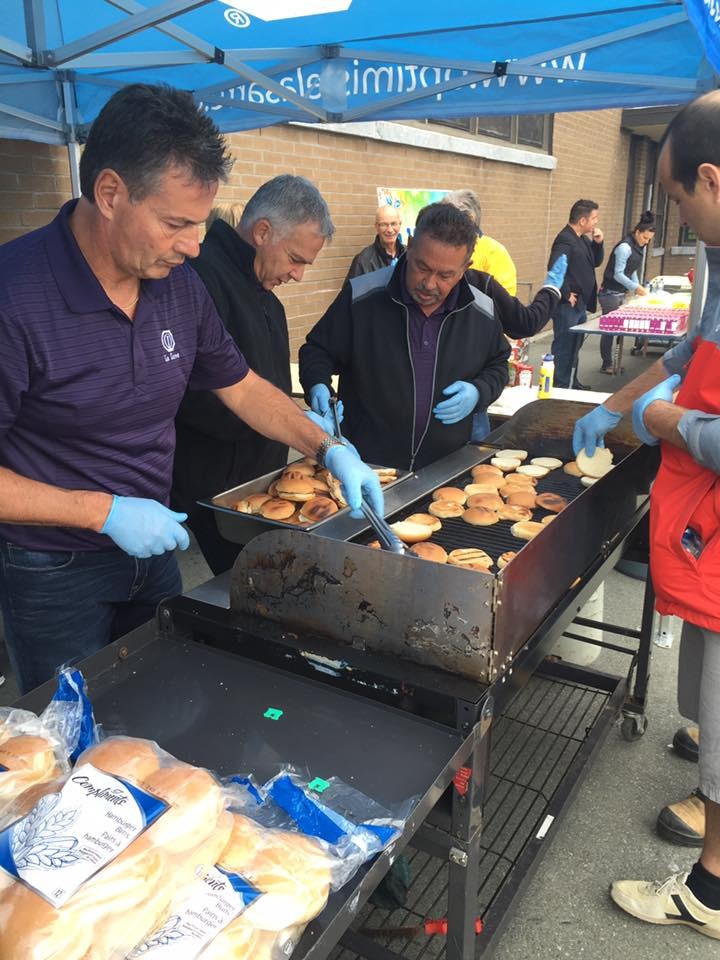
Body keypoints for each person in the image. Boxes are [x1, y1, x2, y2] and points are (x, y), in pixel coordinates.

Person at [0, 83, 382, 696]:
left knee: (163, 701)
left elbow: (243, 386)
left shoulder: (178, 287)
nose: (194, 245)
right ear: (109, 193)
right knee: (68, 735)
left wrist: (326, 447)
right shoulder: (15, 296)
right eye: (175, 223)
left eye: (201, 224)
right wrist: (104, 512)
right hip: (53, 568)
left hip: (154, 552)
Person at [573, 90, 720, 938]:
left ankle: (709, 892)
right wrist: (619, 400)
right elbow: (692, 348)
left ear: (710, 176)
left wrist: (667, 423)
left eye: (677, 199)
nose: (676, 215)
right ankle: (709, 765)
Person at [172, 175, 333, 575]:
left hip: (267, 482)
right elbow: (194, 396)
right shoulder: (198, 280)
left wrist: (298, 419)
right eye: (296, 259)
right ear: (263, 231)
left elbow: (269, 385)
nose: (298, 275)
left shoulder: (268, 301)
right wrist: (286, 425)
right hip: (218, 491)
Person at [299, 202, 510, 471]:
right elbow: (317, 350)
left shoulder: (482, 311)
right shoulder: (362, 296)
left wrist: (479, 391)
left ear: (465, 267)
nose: (430, 283)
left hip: (444, 472)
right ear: (409, 246)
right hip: (365, 465)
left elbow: (499, 364)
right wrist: (317, 384)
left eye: (446, 275)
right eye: (422, 266)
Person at [442, 189, 568, 439]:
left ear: (469, 221)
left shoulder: (488, 264)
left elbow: (520, 322)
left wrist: (551, 289)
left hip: (469, 387)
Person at [548, 199, 604, 388]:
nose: (596, 222)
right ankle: (560, 386)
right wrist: (565, 294)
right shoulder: (565, 239)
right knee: (564, 346)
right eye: (594, 218)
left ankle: (573, 381)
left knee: (575, 345)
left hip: (580, 303)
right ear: (582, 220)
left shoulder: (582, 239)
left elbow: (595, 262)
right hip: (568, 304)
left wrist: (598, 244)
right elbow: (554, 267)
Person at [598, 211, 655, 373]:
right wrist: (635, 287)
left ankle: (613, 362)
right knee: (609, 330)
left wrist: (636, 286)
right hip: (609, 293)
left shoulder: (637, 247)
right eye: (644, 238)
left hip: (620, 293)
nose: (645, 242)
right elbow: (618, 273)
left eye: (649, 240)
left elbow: (632, 270)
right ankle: (607, 364)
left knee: (617, 330)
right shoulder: (624, 247)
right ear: (637, 232)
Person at [443, 188, 517, 295]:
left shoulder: (494, 252)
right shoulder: (441, 248)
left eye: (447, 217)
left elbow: (503, 304)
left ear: (470, 218)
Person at [345, 205, 405, 280]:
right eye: (384, 225)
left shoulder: (409, 254)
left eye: (393, 224)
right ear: (376, 227)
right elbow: (351, 291)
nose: (390, 230)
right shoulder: (363, 260)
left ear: (400, 225)